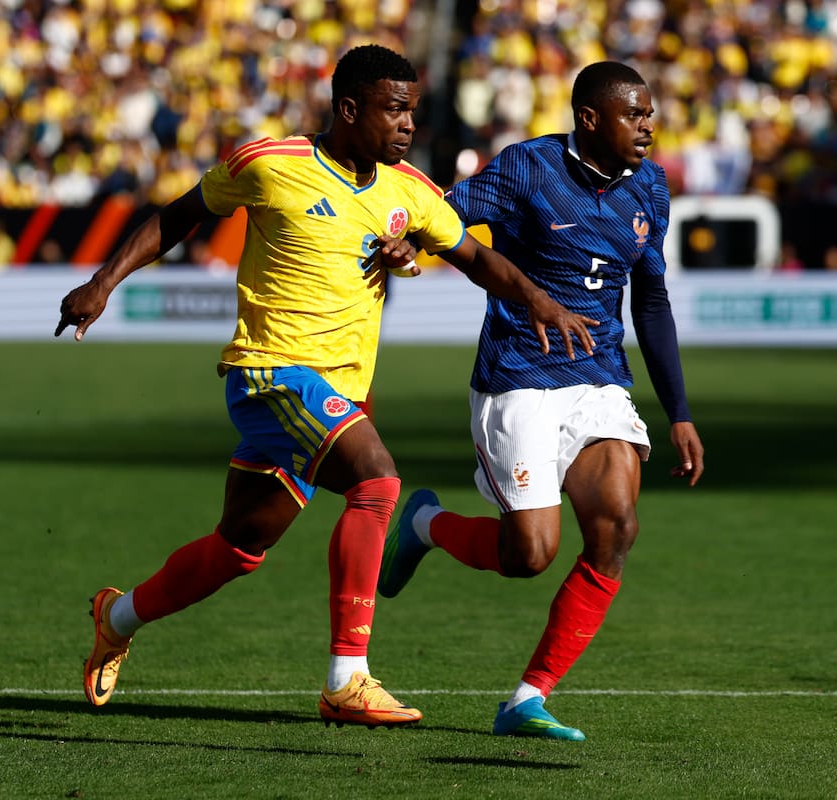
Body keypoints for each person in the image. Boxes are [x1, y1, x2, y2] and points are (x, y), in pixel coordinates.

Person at [55, 44, 596, 729]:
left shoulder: (410, 193)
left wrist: (538, 301)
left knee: (239, 547)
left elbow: (477, 255)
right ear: (349, 109)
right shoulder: (271, 165)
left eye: (413, 112)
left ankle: (117, 615)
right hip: (269, 373)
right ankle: (348, 679)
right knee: (377, 480)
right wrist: (103, 284)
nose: (407, 125)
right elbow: (181, 213)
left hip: (334, 397)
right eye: (394, 110)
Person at [378, 61, 705, 741]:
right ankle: (425, 525)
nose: (649, 126)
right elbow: (448, 215)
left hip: (599, 380)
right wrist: (409, 239)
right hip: (519, 376)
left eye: (650, 114)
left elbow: (650, 298)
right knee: (529, 554)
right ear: (590, 119)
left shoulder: (650, 186)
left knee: (616, 527)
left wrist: (678, 410)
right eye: (635, 115)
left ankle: (527, 698)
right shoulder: (528, 168)